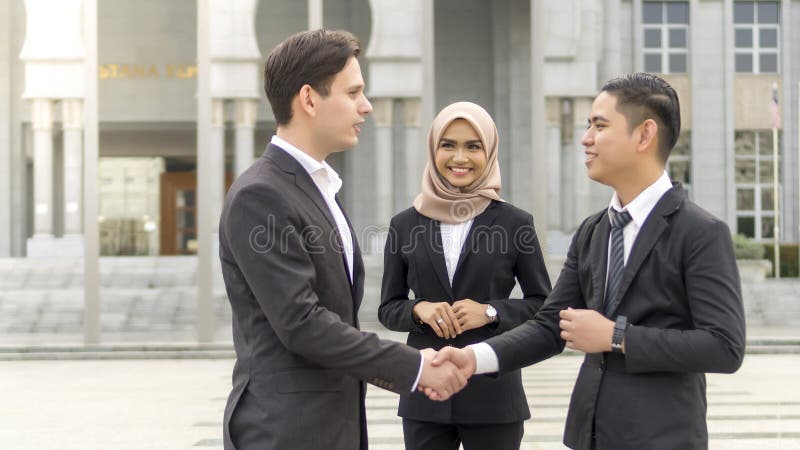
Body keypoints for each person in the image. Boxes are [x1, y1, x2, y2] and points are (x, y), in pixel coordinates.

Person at [432, 73, 746, 450]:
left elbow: (724, 346)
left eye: (599, 125)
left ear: (644, 135)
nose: (586, 138)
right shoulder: (594, 230)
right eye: (587, 126)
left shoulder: (700, 232)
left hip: (662, 438)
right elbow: (550, 324)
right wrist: (473, 358)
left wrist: (618, 336)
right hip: (590, 436)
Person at [218, 29, 465, 450]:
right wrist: (416, 367)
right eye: (353, 93)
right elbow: (301, 322)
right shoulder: (261, 195)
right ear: (309, 99)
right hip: (284, 431)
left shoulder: (319, 189)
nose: (366, 106)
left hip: (330, 427)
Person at [378, 101, 552, 450]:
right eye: (448, 145)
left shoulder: (515, 223)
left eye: (473, 146)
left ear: (488, 152)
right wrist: (418, 310)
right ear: (433, 149)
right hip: (425, 395)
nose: (460, 158)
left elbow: (543, 305)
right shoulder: (405, 224)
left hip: (493, 396)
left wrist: (491, 312)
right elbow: (388, 307)